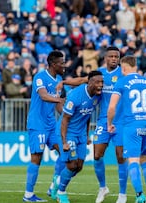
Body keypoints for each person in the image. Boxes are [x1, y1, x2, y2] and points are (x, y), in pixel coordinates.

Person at [107, 55, 146, 203]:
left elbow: (112, 106)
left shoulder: (122, 82)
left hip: (132, 125)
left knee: (133, 161)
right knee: (145, 160)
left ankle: (140, 195)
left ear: (124, 67)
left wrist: (109, 123)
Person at [23, 50, 66, 202]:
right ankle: (28, 195)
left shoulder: (59, 79)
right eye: (62, 63)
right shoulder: (40, 77)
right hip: (37, 123)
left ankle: (53, 185)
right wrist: (60, 101)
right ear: (54, 64)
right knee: (37, 158)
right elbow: (43, 95)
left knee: (64, 151)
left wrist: (67, 114)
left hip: (51, 124)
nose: (64, 66)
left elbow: (59, 107)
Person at [56, 71, 104, 203]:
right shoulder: (75, 97)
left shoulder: (97, 96)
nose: (100, 85)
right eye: (97, 82)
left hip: (81, 134)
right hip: (69, 133)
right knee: (72, 165)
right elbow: (65, 120)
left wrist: (87, 135)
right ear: (89, 83)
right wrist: (64, 141)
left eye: (102, 82)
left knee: (79, 167)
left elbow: (87, 115)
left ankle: (58, 181)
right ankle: (60, 192)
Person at [93, 46, 128, 203]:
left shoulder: (124, 74)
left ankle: (122, 194)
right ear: (105, 58)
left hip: (121, 121)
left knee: (121, 157)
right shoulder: (99, 74)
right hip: (103, 119)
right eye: (111, 56)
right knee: (97, 155)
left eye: (117, 56)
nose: (114, 59)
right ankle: (103, 187)